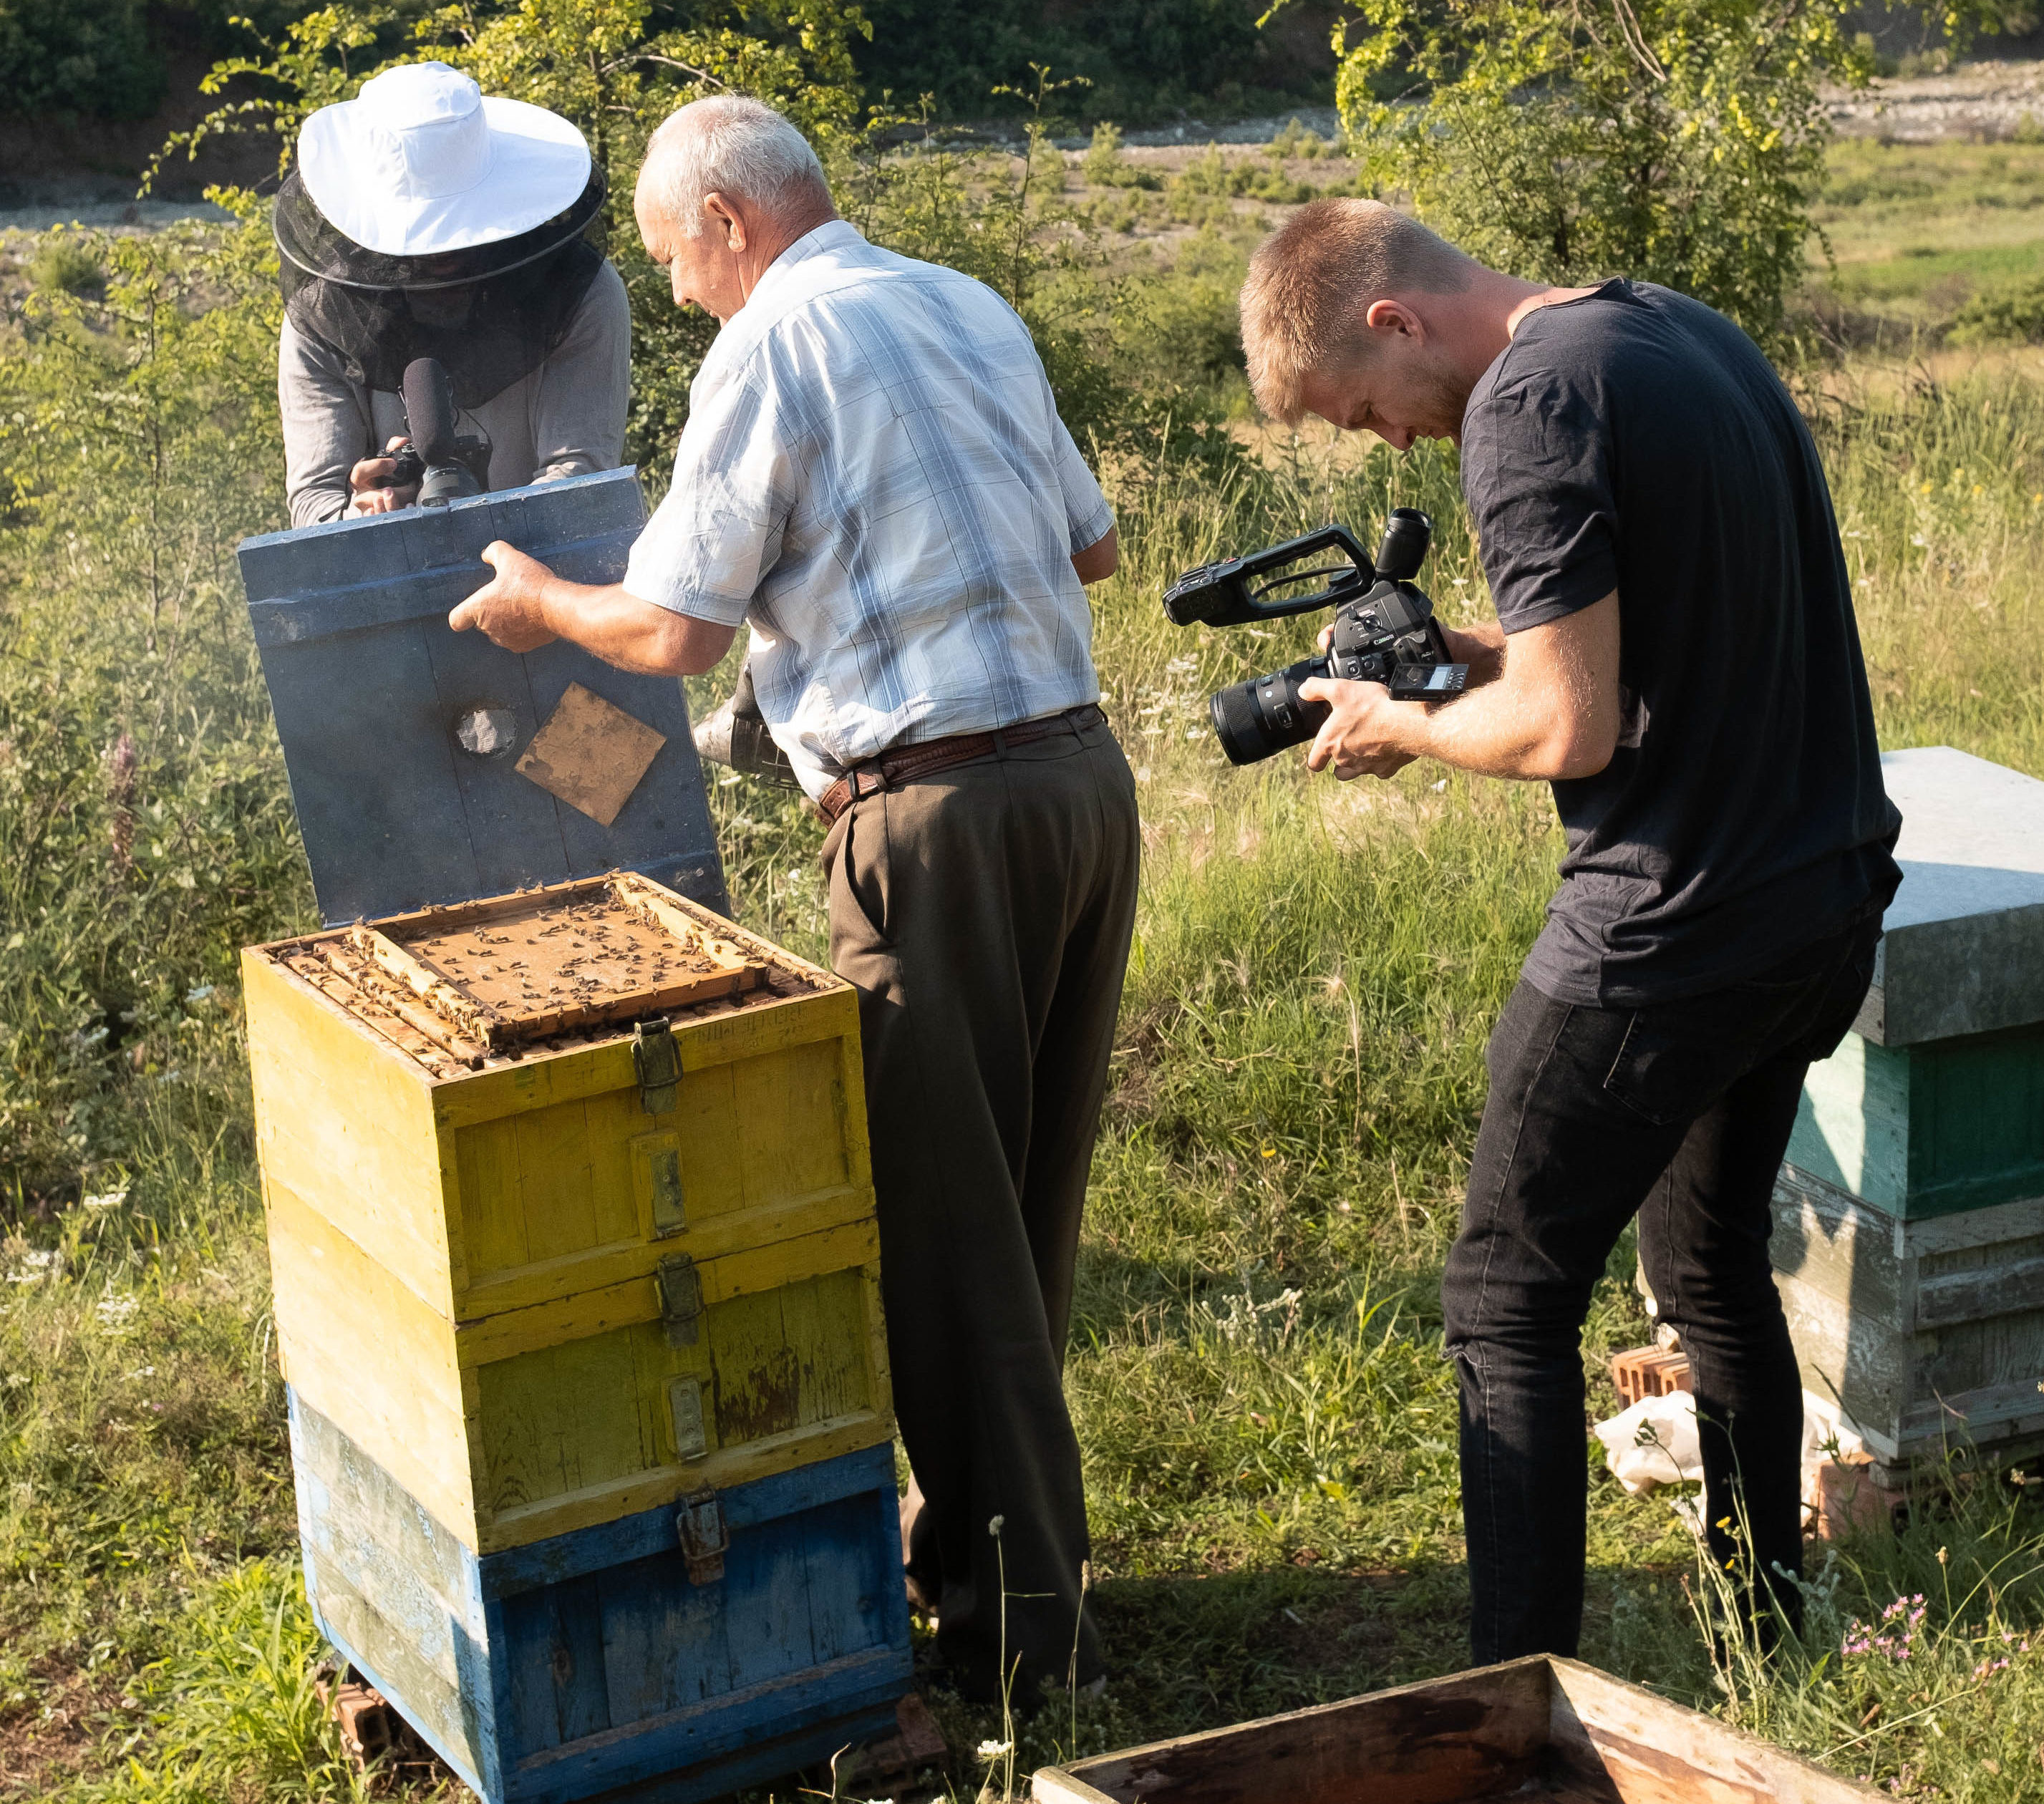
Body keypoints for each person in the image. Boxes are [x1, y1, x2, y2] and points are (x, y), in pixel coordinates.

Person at [446, 94, 1136, 1705]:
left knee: (940, 1239)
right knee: (1019, 1218)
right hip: (1081, 791)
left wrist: (544, 606)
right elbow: (1087, 553)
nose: (680, 294)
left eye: (675, 261)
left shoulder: (764, 348)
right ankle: (987, 1552)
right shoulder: (965, 301)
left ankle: (1022, 1655)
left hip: (936, 831)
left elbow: (677, 624)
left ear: (729, 223)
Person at [1237, 199, 1903, 1662]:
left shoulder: (1523, 406)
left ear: (1390, 320)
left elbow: (1568, 725)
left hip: (1667, 933)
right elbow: (1645, 631)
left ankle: (1512, 1692)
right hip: (1819, 898)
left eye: (1366, 411)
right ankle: (1762, 1625)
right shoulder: (1670, 332)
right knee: (1712, 1268)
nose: (1390, 445)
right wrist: (1469, 653)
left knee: (1501, 1298)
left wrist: (1392, 728)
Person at [276, 62, 631, 527]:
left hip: (544, 585)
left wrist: (465, 527)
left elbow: (577, 482)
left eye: (456, 235)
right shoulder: (325, 317)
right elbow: (314, 504)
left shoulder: (580, 293)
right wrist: (366, 516)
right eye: (419, 242)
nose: (440, 257)